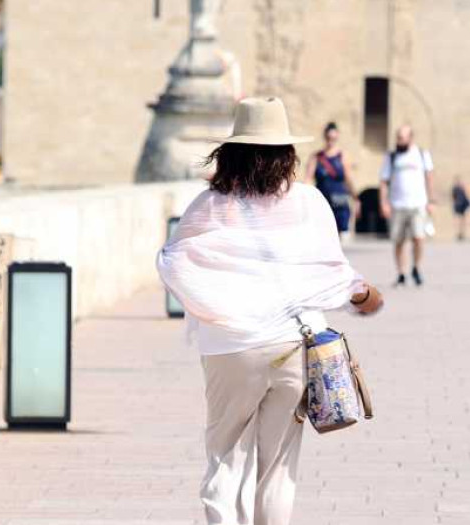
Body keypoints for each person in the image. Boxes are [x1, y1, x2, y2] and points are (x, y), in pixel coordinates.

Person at [156, 97, 384, 525]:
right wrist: (365, 297)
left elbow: (172, 262)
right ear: (287, 154)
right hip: (293, 346)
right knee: (278, 469)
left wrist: (217, 309)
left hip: (232, 347)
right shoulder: (310, 202)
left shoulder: (208, 205)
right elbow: (336, 274)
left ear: (230, 153)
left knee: (226, 456)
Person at [380, 125, 434, 286]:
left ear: (411, 138)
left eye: (402, 138)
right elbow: (383, 181)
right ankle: (401, 273)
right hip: (397, 204)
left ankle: (416, 267)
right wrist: (384, 203)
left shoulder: (422, 154)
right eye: (398, 137)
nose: (399, 141)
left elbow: (429, 178)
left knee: (419, 237)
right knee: (398, 241)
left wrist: (432, 201)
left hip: (418, 204)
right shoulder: (391, 156)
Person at [306, 122, 356, 239]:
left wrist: (355, 196)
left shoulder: (342, 156)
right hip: (322, 198)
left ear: (337, 137)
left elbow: (348, 178)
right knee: (322, 231)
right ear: (325, 137)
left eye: (333, 138)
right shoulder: (316, 157)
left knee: (339, 233)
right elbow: (308, 178)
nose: (330, 141)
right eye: (328, 138)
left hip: (339, 198)